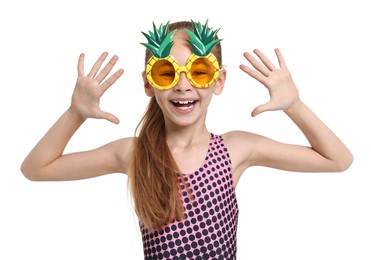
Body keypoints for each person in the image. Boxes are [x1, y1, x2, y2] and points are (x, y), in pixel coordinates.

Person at [21, 20, 353, 260]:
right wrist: (75, 113)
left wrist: (294, 106)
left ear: (218, 81)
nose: (183, 85)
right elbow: (36, 168)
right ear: (149, 84)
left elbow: (338, 160)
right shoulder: (135, 153)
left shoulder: (236, 149)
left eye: (199, 72)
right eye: (167, 73)